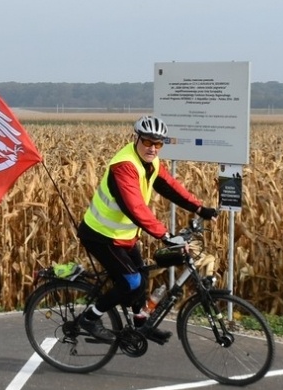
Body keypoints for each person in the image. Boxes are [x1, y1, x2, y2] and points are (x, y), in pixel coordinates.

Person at [74, 116, 218, 343]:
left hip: (125, 235)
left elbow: (170, 186)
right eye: (148, 142)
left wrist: (199, 208)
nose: (152, 148)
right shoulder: (124, 166)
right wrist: (166, 236)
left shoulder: (151, 162)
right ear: (137, 138)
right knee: (130, 282)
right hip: (101, 235)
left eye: (158, 144)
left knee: (141, 276)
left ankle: (141, 324)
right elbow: (135, 207)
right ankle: (90, 318)